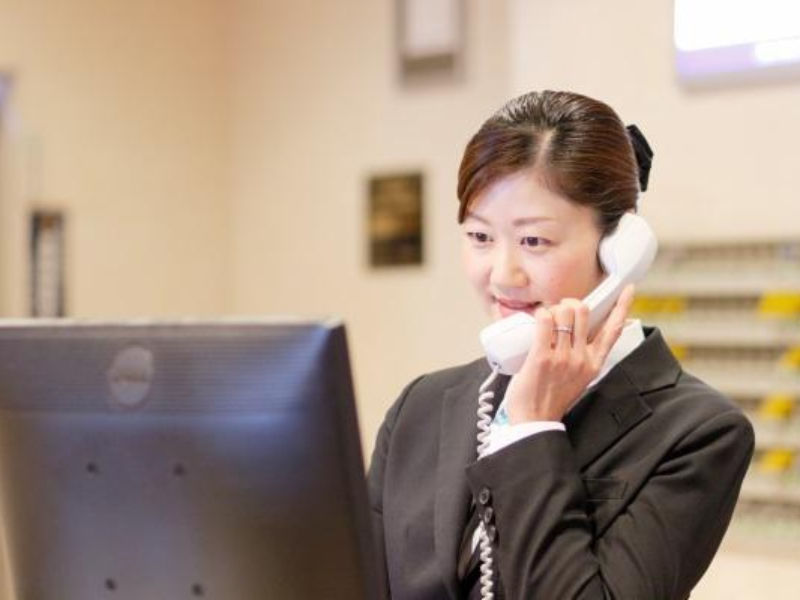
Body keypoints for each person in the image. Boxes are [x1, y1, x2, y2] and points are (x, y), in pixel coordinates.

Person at [367, 90, 754, 600]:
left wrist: (531, 427)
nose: (501, 275)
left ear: (620, 250)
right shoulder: (420, 408)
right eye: (480, 237)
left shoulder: (697, 433)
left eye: (534, 241)